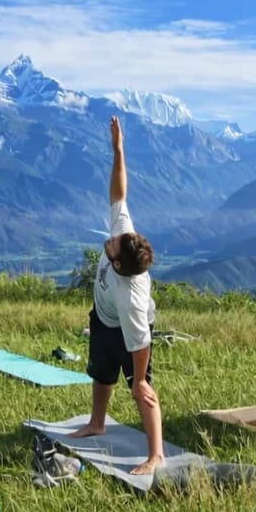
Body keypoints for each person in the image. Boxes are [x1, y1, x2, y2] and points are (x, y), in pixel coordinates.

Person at [67, 117, 163, 475]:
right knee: (100, 373)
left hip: (129, 331)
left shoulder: (132, 299)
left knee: (143, 391)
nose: (107, 240)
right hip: (103, 318)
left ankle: (156, 455)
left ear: (119, 264)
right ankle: (97, 422)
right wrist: (119, 150)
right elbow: (118, 195)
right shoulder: (127, 242)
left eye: (111, 244)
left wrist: (138, 379)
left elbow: (141, 344)